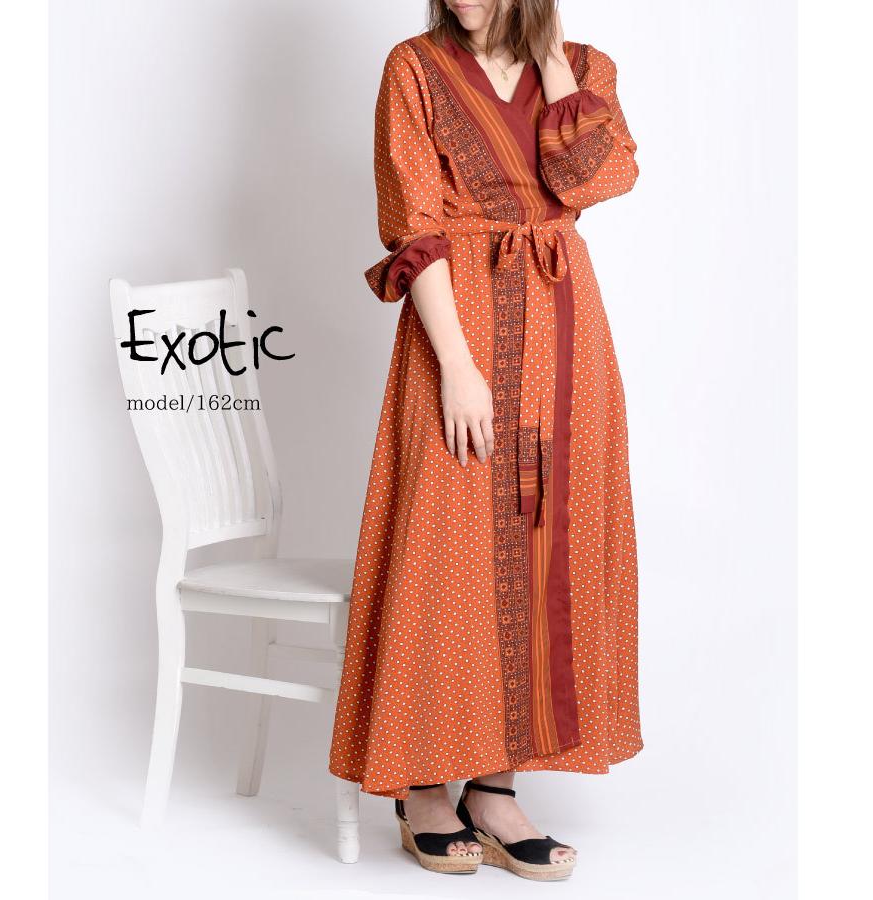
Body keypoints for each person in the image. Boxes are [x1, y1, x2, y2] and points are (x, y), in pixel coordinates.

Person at [329, 0, 642, 880]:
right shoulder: (414, 67)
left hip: (563, 335)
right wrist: (458, 366)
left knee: (542, 549)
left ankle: (495, 789)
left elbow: (593, 180)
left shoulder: (586, 66)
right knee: (447, 550)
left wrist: (551, 60)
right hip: (456, 326)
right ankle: (424, 784)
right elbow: (413, 221)